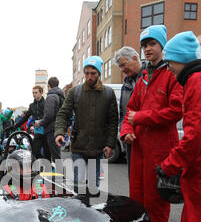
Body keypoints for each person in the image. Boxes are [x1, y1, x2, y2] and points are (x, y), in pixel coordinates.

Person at [120, 25, 183, 222]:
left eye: (152, 44)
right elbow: (130, 110)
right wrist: (126, 130)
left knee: (156, 201)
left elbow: (176, 111)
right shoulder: (145, 76)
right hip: (139, 148)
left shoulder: (171, 75)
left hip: (160, 149)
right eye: (144, 45)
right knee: (137, 197)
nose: (147, 49)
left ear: (162, 46)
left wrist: (140, 118)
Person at [157, 31, 201, 222]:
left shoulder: (196, 82)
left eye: (171, 62)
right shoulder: (194, 80)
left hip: (200, 168)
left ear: (181, 59)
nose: (170, 68)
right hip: (197, 167)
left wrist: (170, 164)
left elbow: (196, 134)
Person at [55, 55, 118, 191]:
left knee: (93, 186)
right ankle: (79, 209)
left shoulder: (108, 93)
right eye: (87, 73)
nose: (89, 76)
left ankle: (88, 209)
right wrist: (60, 132)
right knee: (77, 185)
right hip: (79, 146)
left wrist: (110, 144)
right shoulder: (75, 92)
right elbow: (63, 114)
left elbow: (113, 121)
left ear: (99, 73)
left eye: (93, 73)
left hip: (98, 148)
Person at [113, 47, 146, 177]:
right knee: (133, 179)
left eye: (123, 65)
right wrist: (125, 131)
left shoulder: (150, 77)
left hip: (147, 139)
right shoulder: (125, 86)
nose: (122, 70)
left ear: (135, 58)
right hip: (131, 141)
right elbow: (123, 113)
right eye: (120, 67)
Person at [12, 85, 50, 160]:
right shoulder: (32, 105)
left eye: (36, 93)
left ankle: (47, 167)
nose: (34, 94)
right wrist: (14, 126)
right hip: (38, 133)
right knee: (35, 151)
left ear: (41, 93)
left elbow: (49, 117)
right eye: (33, 93)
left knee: (47, 154)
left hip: (47, 132)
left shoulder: (46, 103)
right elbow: (25, 118)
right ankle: (41, 163)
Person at [35, 77, 64, 164]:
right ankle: (58, 174)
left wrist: (40, 122)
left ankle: (59, 175)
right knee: (56, 154)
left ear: (48, 86)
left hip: (52, 129)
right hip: (58, 127)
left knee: (55, 155)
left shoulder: (51, 96)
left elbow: (49, 115)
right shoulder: (60, 95)